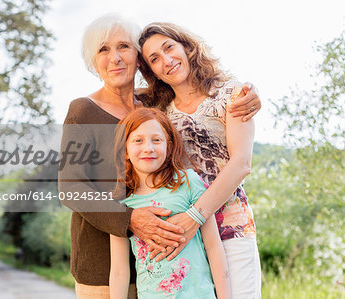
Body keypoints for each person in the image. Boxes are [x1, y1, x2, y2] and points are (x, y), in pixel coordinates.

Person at [58, 13, 260, 299]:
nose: (115, 57)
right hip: (105, 264)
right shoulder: (82, 111)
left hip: (174, 259)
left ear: (138, 59)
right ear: (93, 60)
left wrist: (251, 94)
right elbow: (71, 188)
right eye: (103, 49)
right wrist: (129, 219)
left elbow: (200, 94)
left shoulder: (157, 104)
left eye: (123, 47)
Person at [138, 22, 261, 298]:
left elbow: (242, 163)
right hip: (184, 237)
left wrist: (196, 215)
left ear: (186, 46)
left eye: (169, 47)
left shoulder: (232, 94)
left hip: (231, 227)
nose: (166, 61)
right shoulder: (158, 110)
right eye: (154, 59)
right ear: (150, 71)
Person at [110, 107, 230, 299]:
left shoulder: (188, 182)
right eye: (138, 140)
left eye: (156, 140)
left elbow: (214, 247)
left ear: (169, 146)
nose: (148, 147)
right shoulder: (122, 205)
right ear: (124, 150)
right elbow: (118, 270)